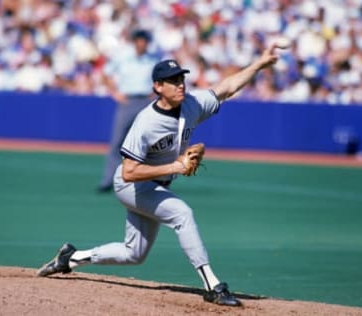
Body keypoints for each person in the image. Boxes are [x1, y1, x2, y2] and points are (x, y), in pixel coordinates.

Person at [37, 42, 282, 306]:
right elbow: (129, 172)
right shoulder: (146, 123)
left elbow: (227, 87)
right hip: (131, 186)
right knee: (182, 214)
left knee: (134, 254)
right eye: (172, 80)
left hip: (154, 186)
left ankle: (71, 258)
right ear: (158, 87)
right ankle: (213, 286)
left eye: (181, 78)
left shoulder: (192, 104)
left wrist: (259, 64)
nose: (180, 84)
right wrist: (175, 166)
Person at [97, 29, 159, 192]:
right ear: (134, 42)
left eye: (144, 41)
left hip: (146, 101)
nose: (141, 44)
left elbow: (161, 79)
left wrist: (154, 94)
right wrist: (115, 93)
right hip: (128, 101)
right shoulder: (123, 58)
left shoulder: (153, 60)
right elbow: (105, 73)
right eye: (139, 41)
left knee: (146, 142)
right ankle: (108, 180)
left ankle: (145, 181)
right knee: (117, 141)